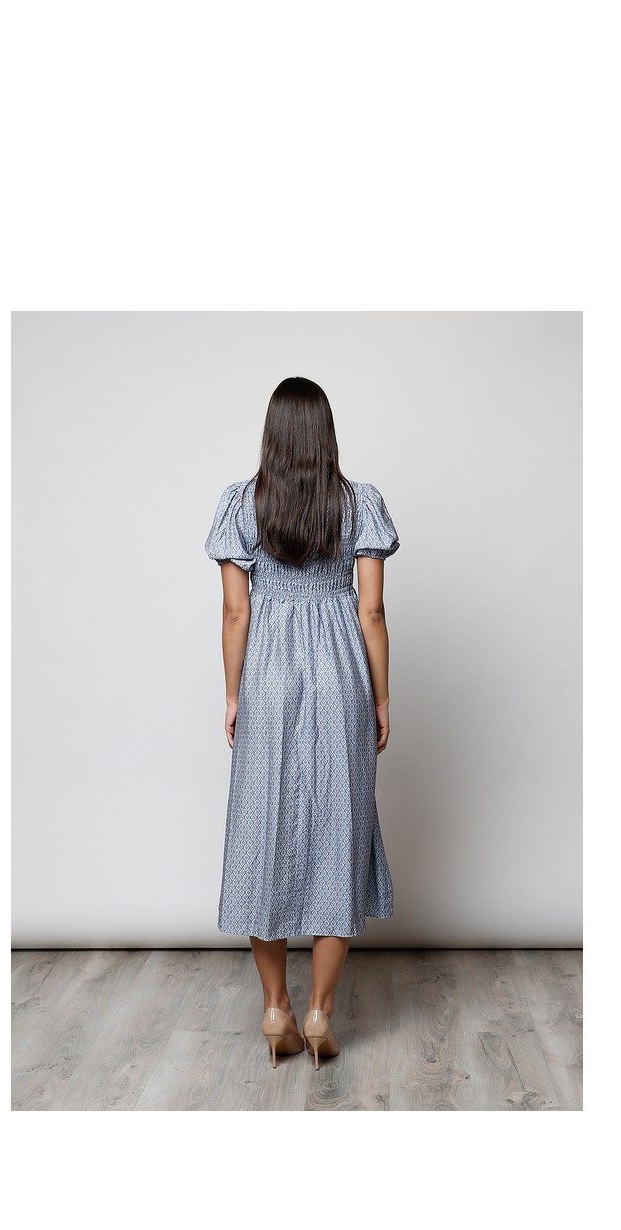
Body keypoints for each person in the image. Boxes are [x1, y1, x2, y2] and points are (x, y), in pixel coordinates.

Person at [204, 376, 400, 1070]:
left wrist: (234, 694)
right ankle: (320, 1012)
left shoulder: (241, 504)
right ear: (326, 434)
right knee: (337, 834)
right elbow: (371, 612)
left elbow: (236, 612)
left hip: (269, 678)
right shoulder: (360, 504)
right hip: (341, 675)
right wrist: (381, 697)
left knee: (262, 832)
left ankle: (275, 1009)